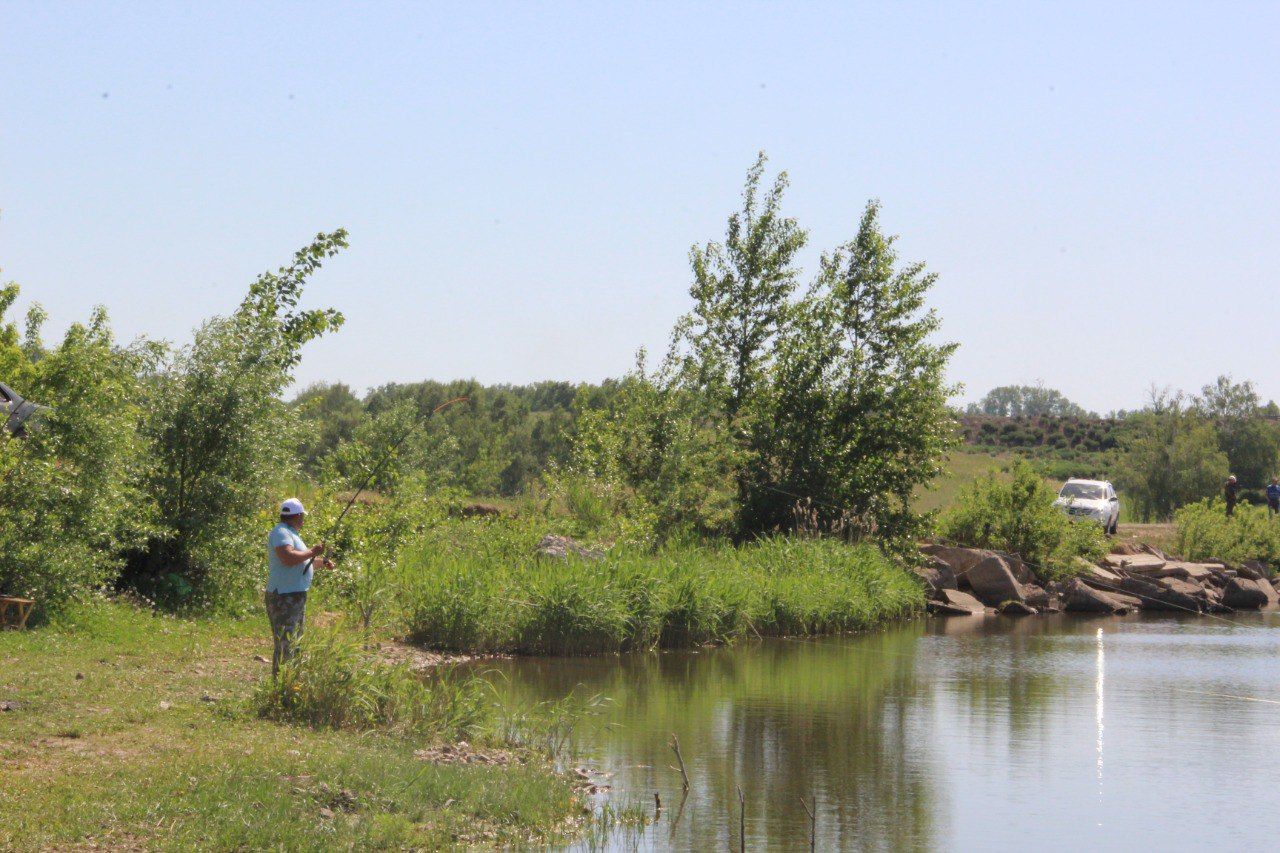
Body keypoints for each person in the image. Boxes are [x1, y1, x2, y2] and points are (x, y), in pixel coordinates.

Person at [265, 498, 332, 676]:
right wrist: (312, 551)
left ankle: (289, 684)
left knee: (294, 643)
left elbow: (300, 562)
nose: (303, 520)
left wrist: (321, 562)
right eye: (302, 517)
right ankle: (281, 690)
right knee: (286, 644)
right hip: (284, 598)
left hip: (294, 597)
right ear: (298, 516)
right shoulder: (280, 532)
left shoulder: (290, 533)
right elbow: (288, 558)